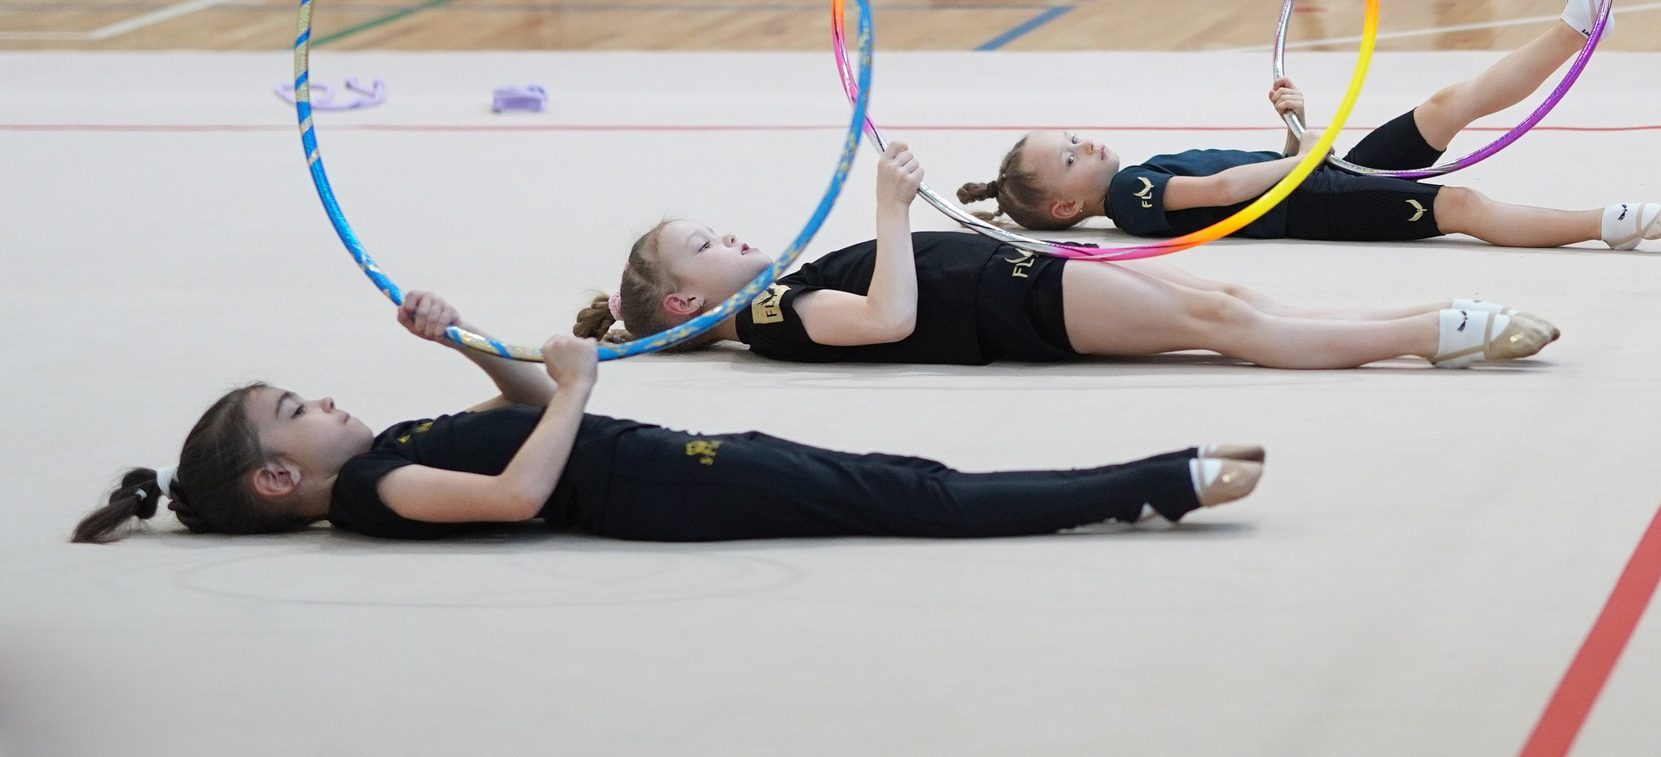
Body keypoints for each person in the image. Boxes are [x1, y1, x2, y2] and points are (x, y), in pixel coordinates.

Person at [72, 290, 1262, 546]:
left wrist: (466, 342)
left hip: (674, 462)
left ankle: (1147, 475)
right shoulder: (376, 495)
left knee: (909, 474)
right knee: (919, 500)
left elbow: (520, 410)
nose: (324, 400)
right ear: (282, 479)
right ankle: (1151, 478)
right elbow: (517, 489)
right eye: (298, 411)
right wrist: (583, 387)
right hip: (665, 488)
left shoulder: (383, 447)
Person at [579, 140, 1561, 370]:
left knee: (1227, 291)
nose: (729, 237)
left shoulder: (778, 287)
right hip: (1027, 311)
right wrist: (887, 210)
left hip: (1036, 272)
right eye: (702, 247)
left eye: (711, 224)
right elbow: (887, 318)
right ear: (680, 306)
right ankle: (1434, 332)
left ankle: (1425, 323)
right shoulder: (769, 319)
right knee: (1225, 327)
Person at [959, 0, 1661, 251]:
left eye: (1073, 136)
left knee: (1443, 105)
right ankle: (1604, 223)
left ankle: (1575, 28)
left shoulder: (1126, 177)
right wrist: (1307, 153)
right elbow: (1226, 188)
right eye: (1068, 156)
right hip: (1325, 202)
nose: (1084, 143)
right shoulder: (1131, 203)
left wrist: (1296, 131)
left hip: (1318, 175)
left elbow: (1248, 181)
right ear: (1066, 207)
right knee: (1460, 207)